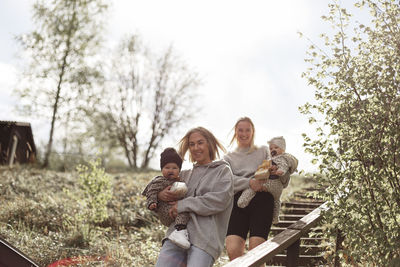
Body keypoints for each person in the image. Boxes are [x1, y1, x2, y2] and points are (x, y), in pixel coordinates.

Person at [155, 127, 234, 267]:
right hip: (175, 235)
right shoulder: (183, 174)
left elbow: (218, 201)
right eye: (192, 144)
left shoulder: (222, 171)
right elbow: (159, 187)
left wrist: (183, 205)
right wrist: (161, 195)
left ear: (209, 144)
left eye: (200, 143)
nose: (196, 147)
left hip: (204, 240)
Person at [224, 117, 274, 261]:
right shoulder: (228, 158)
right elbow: (227, 181)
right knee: (233, 251)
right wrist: (249, 182)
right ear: (235, 132)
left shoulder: (263, 150)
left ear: (253, 132)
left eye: (248, 130)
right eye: (240, 130)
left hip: (261, 200)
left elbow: (273, 169)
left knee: (256, 252)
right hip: (236, 202)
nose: (244, 133)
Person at [237, 136, 298, 224]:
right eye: (271, 148)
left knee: (254, 188)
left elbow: (283, 166)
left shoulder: (282, 158)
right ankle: (275, 218)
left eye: (276, 148)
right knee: (276, 200)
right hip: (273, 185)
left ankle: (242, 202)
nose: (273, 150)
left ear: (283, 149)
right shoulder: (270, 159)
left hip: (273, 183)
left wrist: (280, 171)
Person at [142, 147, 191, 249]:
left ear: (179, 170)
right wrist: (152, 202)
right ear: (161, 169)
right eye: (167, 167)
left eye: (174, 168)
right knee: (183, 211)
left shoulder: (180, 181)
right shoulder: (159, 181)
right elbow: (151, 191)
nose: (170, 170)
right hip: (165, 211)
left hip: (174, 211)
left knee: (184, 208)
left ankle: (180, 231)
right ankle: (180, 231)